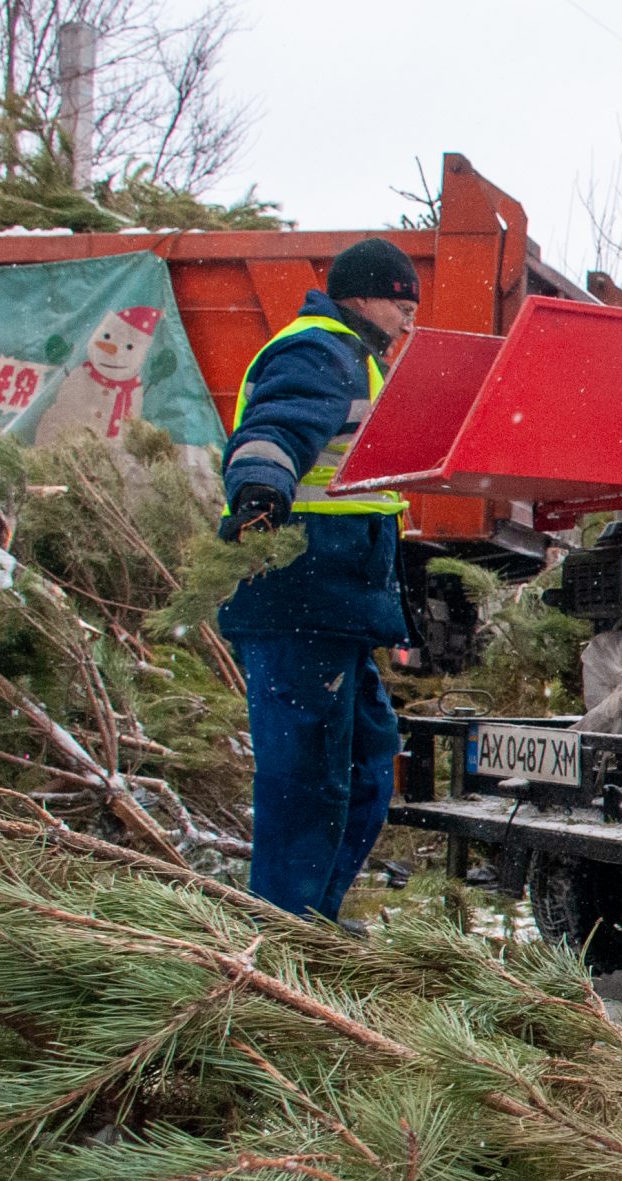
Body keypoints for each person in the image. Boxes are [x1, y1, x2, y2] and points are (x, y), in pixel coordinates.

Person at [219, 237, 420, 921]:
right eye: (402, 305)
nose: (409, 321)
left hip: (336, 610)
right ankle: (281, 936)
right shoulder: (321, 350)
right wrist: (261, 487)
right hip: (297, 598)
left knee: (367, 765)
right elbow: (277, 425)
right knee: (305, 783)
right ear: (362, 295)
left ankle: (313, 920)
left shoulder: (358, 361)